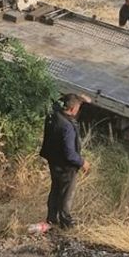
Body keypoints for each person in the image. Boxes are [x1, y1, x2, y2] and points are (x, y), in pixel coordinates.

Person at [38, 94, 90, 228]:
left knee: (55, 189)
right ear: (73, 109)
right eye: (78, 107)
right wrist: (82, 162)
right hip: (66, 166)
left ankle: (51, 218)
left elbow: (58, 104)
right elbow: (70, 153)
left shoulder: (53, 116)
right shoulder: (67, 127)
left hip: (53, 161)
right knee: (66, 194)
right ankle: (66, 223)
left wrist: (80, 99)